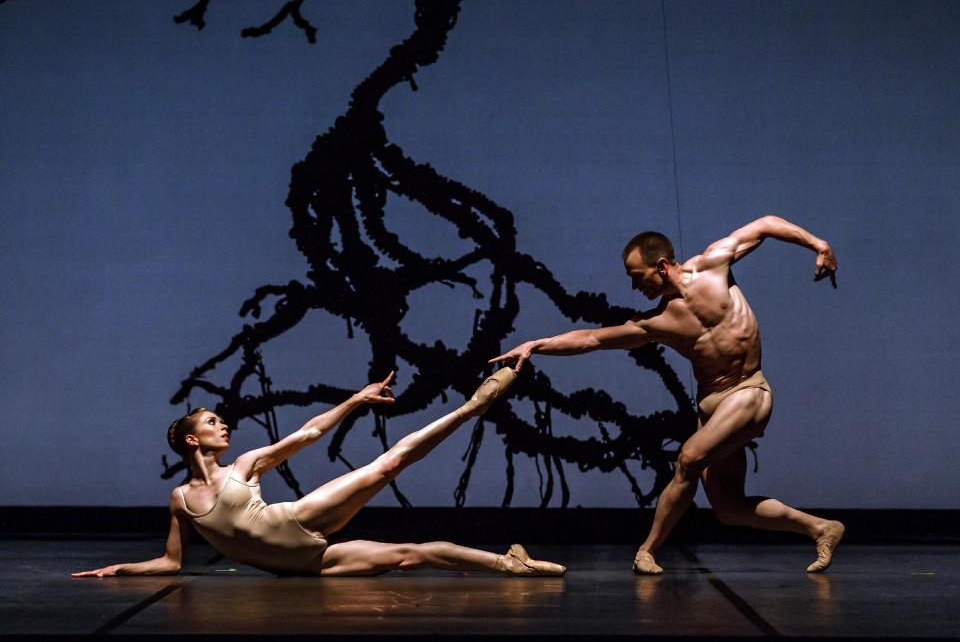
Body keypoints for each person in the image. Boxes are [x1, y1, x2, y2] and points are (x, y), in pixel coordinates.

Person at [489, 215, 845, 574]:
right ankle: (821, 528)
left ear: (660, 266)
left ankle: (647, 551)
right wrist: (537, 345)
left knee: (689, 458)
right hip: (712, 408)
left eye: (636, 277)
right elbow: (592, 338)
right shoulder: (656, 323)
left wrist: (819, 245)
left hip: (748, 392)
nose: (634, 288)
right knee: (729, 509)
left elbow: (765, 225)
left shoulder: (714, 264)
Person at [73, 367, 564, 578]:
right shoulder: (181, 499)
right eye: (211, 422)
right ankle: (508, 565)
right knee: (410, 556)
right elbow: (170, 563)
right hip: (306, 566)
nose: (224, 425)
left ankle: (470, 409)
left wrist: (354, 400)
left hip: (299, 519)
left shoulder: (244, 466)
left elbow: (307, 435)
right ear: (189, 439)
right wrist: (121, 569)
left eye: (220, 420)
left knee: (387, 464)